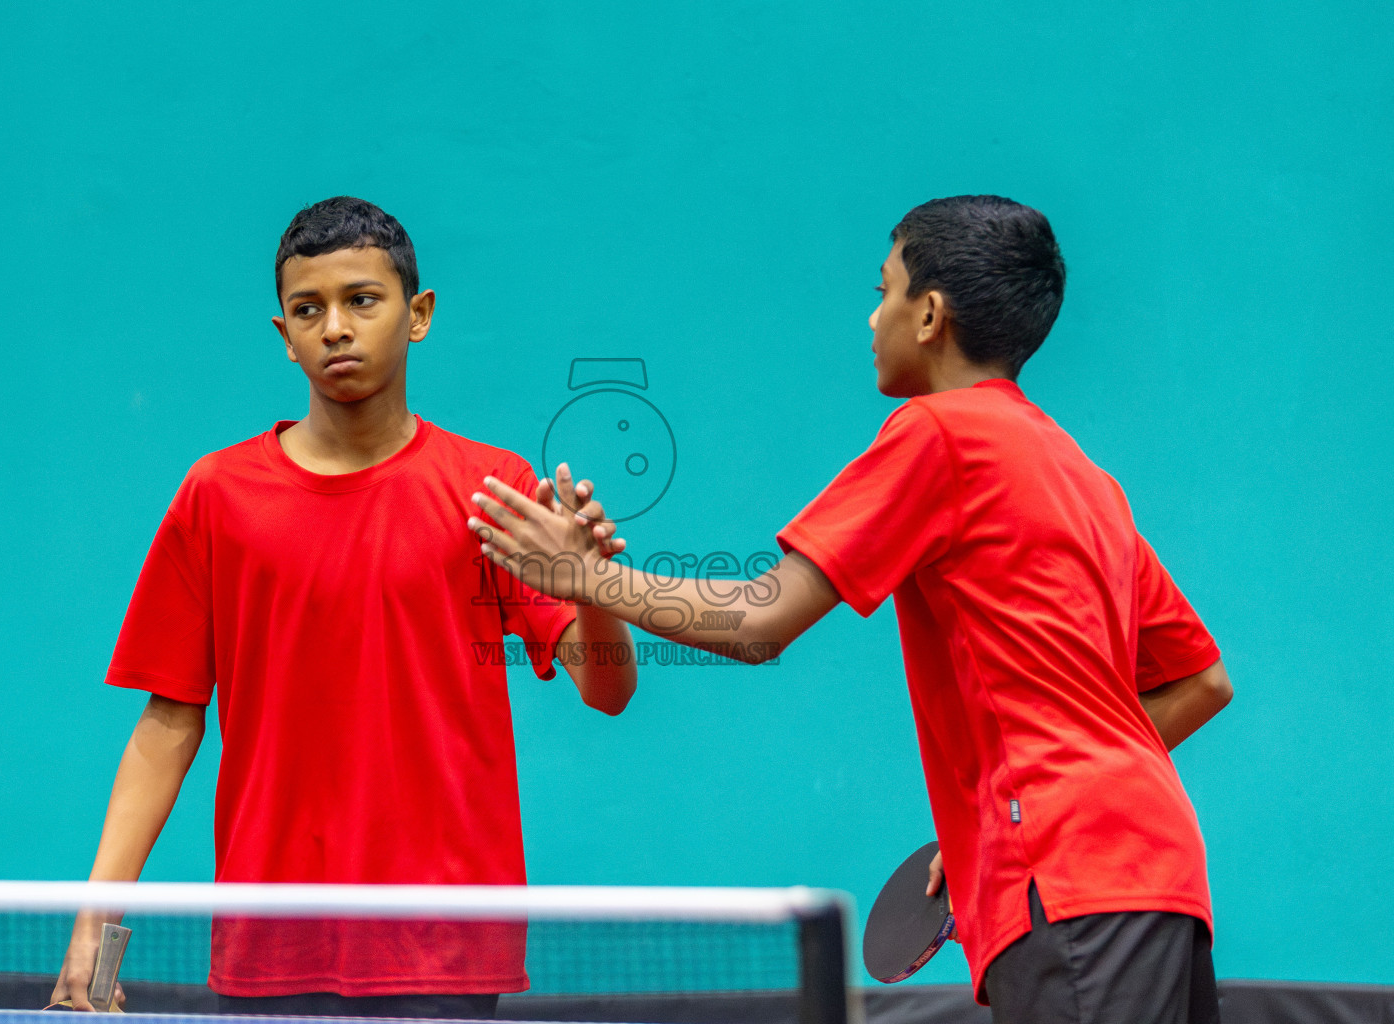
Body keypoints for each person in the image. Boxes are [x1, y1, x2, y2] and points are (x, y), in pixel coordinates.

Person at [471, 196, 1233, 1024]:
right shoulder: (1081, 475)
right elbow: (1202, 681)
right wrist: (1011, 808)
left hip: (1068, 878)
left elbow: (762, 620)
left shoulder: (938, 435)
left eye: (885, 290)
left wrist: (585, 580)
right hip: (1158, 870)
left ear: (930, 313)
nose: (874, 318)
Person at [51, 196, 637, 1016]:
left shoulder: (494, 493)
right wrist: (96, 918)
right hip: (270, 939)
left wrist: (594, 588)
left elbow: (607, 688)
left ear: (418, 314)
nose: (335, 327)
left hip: (444, 943)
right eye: (308, 308)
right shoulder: (217, 496)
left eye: (362, 299)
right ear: (284, 336)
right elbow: (168, 720)